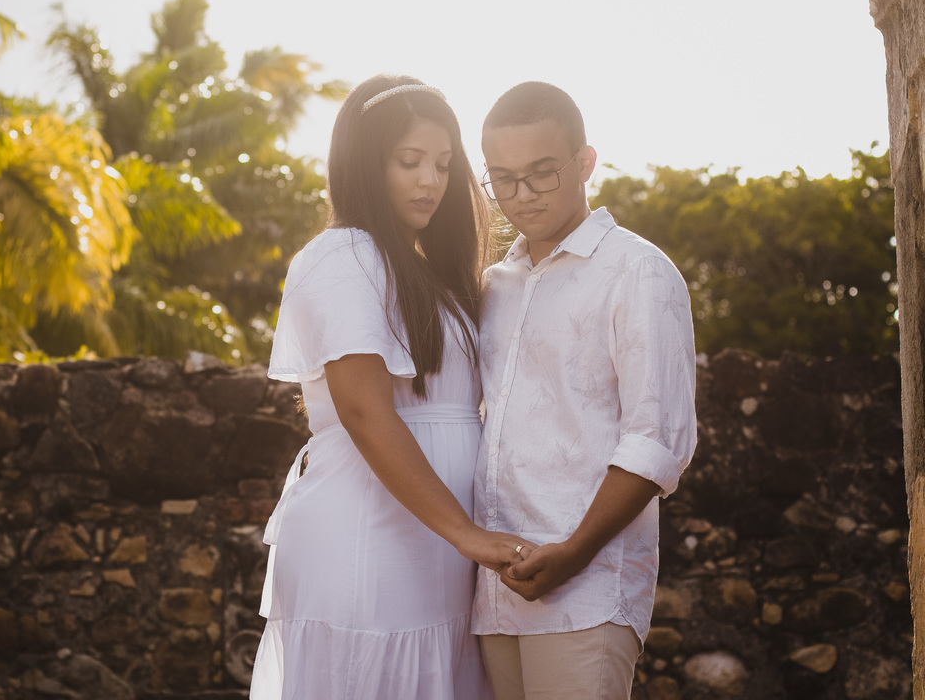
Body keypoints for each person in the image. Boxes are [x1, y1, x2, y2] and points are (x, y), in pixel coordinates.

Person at [250, 75, 529, 700]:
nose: (430, 180)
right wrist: (468, 534)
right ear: (365, 162)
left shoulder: (428, 274)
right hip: (371, 539)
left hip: (437, 549)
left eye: (442, 164)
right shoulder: (343, 254)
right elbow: (363, 409)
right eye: (410, 162)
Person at [473, 81, 697, 700]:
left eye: (541, 174)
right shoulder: (493, 285)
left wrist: (572, 553)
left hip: (587, 586)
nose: (521, 196)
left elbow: (657, 441)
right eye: (503, 178)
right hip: (493, 592)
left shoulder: (639, 271)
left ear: (585, 162)